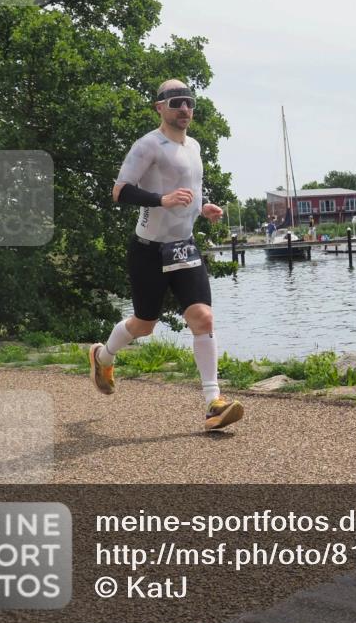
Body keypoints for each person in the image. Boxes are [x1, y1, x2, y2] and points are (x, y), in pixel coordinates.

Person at [88, 79, 244, 432]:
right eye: (176, 102)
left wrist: (204, 208)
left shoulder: (195, 147)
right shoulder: (148, 146)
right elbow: (119, 192)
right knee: (144, 325)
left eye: (189, 102)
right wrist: (161, 200)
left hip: (184, 245)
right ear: (159, 107)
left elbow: (191, 191)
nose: (185, 109)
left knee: (203, 318)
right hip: (148, 250)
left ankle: (213, 403)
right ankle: (102, 356)